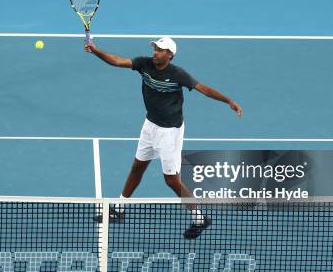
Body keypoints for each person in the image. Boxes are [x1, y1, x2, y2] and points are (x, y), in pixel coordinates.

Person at [86, 37, 243, 239]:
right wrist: (96, 50)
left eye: (160, 50)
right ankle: (118, 208)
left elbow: (203, 88)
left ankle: (199, 218)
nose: (155, 52)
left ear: (170, 55)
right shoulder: (144, 64)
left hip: (169, 132)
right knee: (137, 167)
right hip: (150, 125)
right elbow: (118, 61)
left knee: (171, 180)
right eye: (155, 49)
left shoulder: (178, 74)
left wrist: (228, 101)